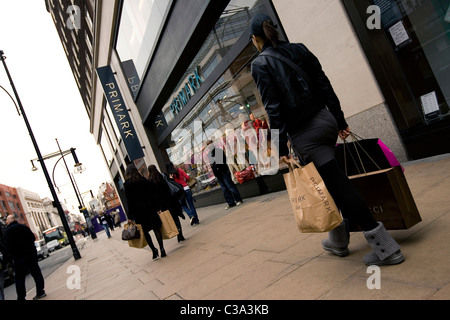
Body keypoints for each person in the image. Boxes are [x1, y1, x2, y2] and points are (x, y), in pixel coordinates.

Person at [250, 13, 404, 266]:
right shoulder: (300, 49)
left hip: (305, 135)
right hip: (326, 121)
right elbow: (325, 86)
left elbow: (274, 109)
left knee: (339, 187)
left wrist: (279, 148)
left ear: (255, 39)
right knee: (332, 185)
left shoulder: (260, 64)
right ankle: (339, 241)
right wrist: (340, 121)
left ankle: (387, 249)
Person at [124, 164, 166, 259]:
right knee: (156, 229)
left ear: (127, 173)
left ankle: (154, 250)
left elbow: (129, 201)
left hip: (138, 212)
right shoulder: (143, 180)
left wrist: (129, 216)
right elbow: (151, 194)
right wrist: (157, 207)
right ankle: (162, 249)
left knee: (145, 232)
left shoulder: (127, 184)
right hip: (150, 208)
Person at [3, 215, 46, 300]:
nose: (6, 222)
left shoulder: (8, 231)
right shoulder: (24, 227)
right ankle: (40, 292)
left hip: (18, 258)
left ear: (9, 221)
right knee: (36, 273)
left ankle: (21, 297)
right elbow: (32, 238)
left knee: (19, 278)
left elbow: (7, 245)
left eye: (6, 221)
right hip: (30, 255)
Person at [147, 165, 185, 242]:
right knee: (175, 217)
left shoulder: (149, 182)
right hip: (170, 201)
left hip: (161, 205)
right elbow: (168, 188)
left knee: (169, 218)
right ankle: (180, 233)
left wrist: (157, 207)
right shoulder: (162, 177)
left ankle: (176, 232)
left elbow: (152, 195)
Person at [206, 140, 244, 210]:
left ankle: (238, 199)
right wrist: (215, 172)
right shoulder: (209, 154)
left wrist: (217, 167)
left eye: (210, 143)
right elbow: (212, 165)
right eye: (207, 144)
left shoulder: (219, 151)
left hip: (223, 171)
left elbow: (222, 161)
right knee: (224, 189)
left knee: (230, 185)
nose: (209, 145)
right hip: (218, 174)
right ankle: (230, 202)